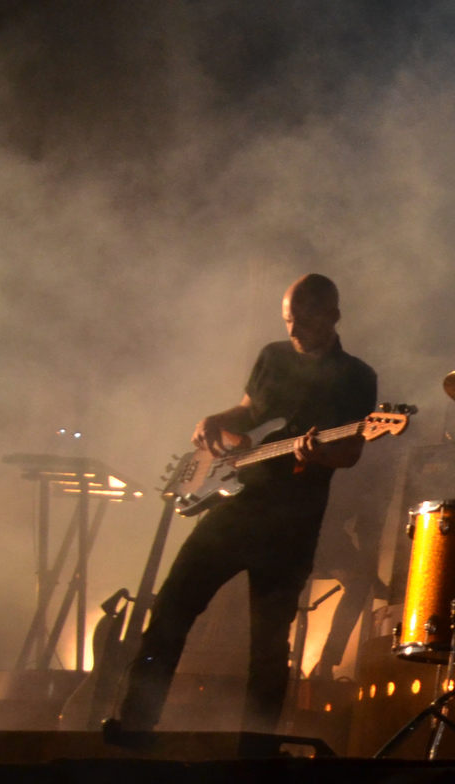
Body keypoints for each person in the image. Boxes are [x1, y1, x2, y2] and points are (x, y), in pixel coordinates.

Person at [112, 273, 379, 733]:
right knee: (173, 607)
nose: (292, 332)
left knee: (270, 644)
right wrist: (214, 418)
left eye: (302, 323)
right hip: (235, 508)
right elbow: (248, 411)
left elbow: (351, 453)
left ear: (333, 317)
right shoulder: (273, 357)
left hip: (292, 526)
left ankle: (256, 748)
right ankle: (134, 725)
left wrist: (320, 456)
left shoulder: (357, 376)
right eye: (287, 321)